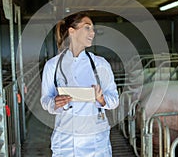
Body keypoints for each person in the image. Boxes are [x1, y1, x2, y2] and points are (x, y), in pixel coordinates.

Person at [40, 11, 119, 157]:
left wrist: (101, 99)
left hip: (95, 141)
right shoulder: (53, 66)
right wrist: (55, 102)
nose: (93, 33)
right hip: (66, 141)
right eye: (87, 28)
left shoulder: (100, 64)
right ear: (72, 31)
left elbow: (114, 100)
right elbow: (45, 101)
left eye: (93, 29)